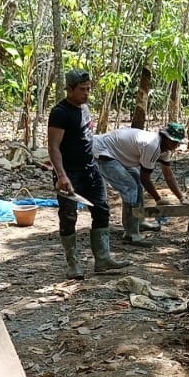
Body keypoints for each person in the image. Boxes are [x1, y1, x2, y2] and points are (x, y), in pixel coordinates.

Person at [48, 69, 127, 278]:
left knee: (102, 209)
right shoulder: (60, 113)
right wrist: (61, 175)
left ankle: (102, 258)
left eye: (88, 89)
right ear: (70, 89)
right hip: (68, 172)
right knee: (68, 216)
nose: (86, 93)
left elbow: (87, 137)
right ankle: (73, 264)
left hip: (90, 169)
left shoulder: (85, 108)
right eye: (82, 90)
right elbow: (53, 147)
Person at [93, 123, 189, 246]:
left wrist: (182, 198)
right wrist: (158, 199)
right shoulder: (152, 146)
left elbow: (169, 176)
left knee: (136, 183)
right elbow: (146, 179)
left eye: (178, 143)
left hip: (117, 154)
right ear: (165, 137)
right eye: (174, 142)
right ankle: (131, 234)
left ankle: (139, 221)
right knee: (130, 187)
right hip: (103, 152)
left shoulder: (164, 150)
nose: (176, 146)